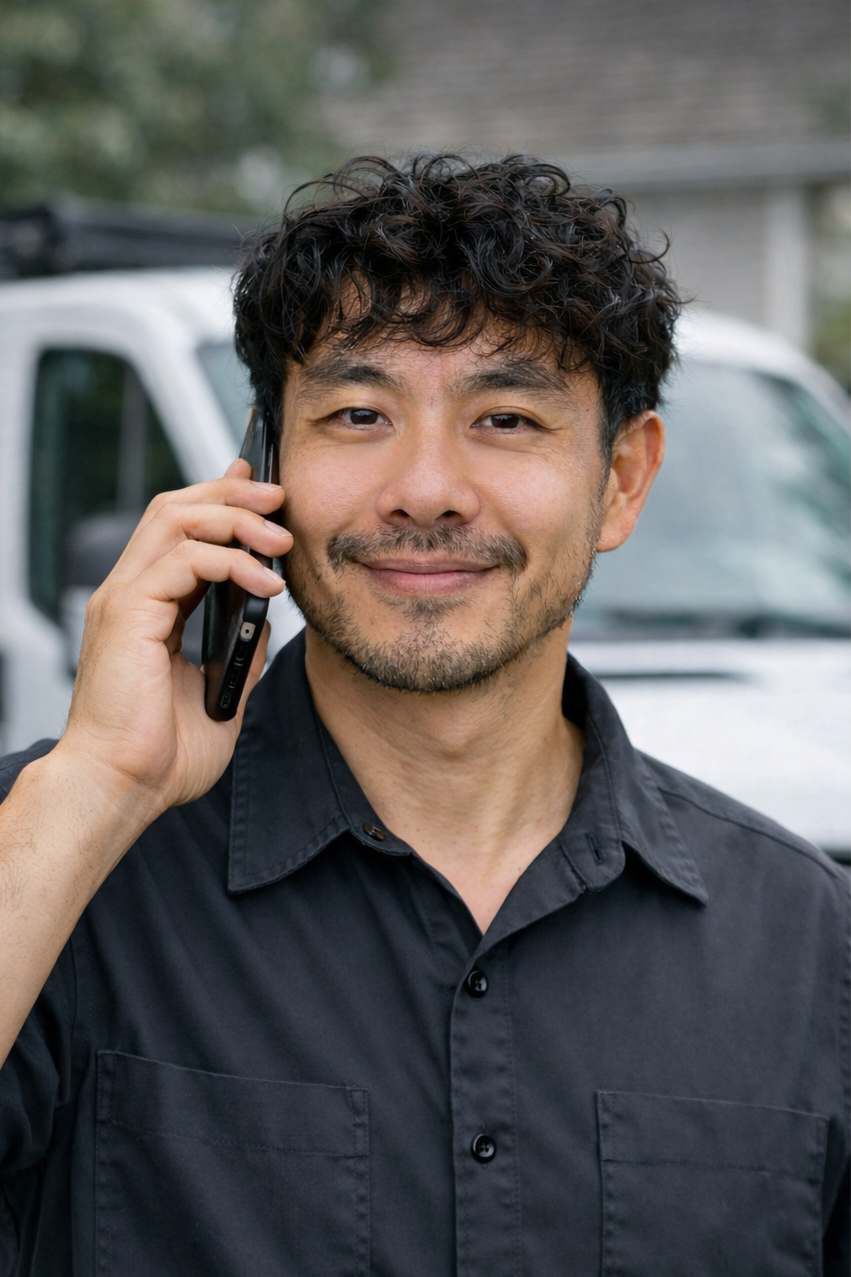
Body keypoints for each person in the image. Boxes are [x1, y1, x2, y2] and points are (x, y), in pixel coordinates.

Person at [0, 153, 848, 1275]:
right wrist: (96, 786)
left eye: (505, 418)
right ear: (262, 465)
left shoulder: (810, 942)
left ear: (622, 480)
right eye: (357, 412)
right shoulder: (58, 856)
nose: (426, 486)